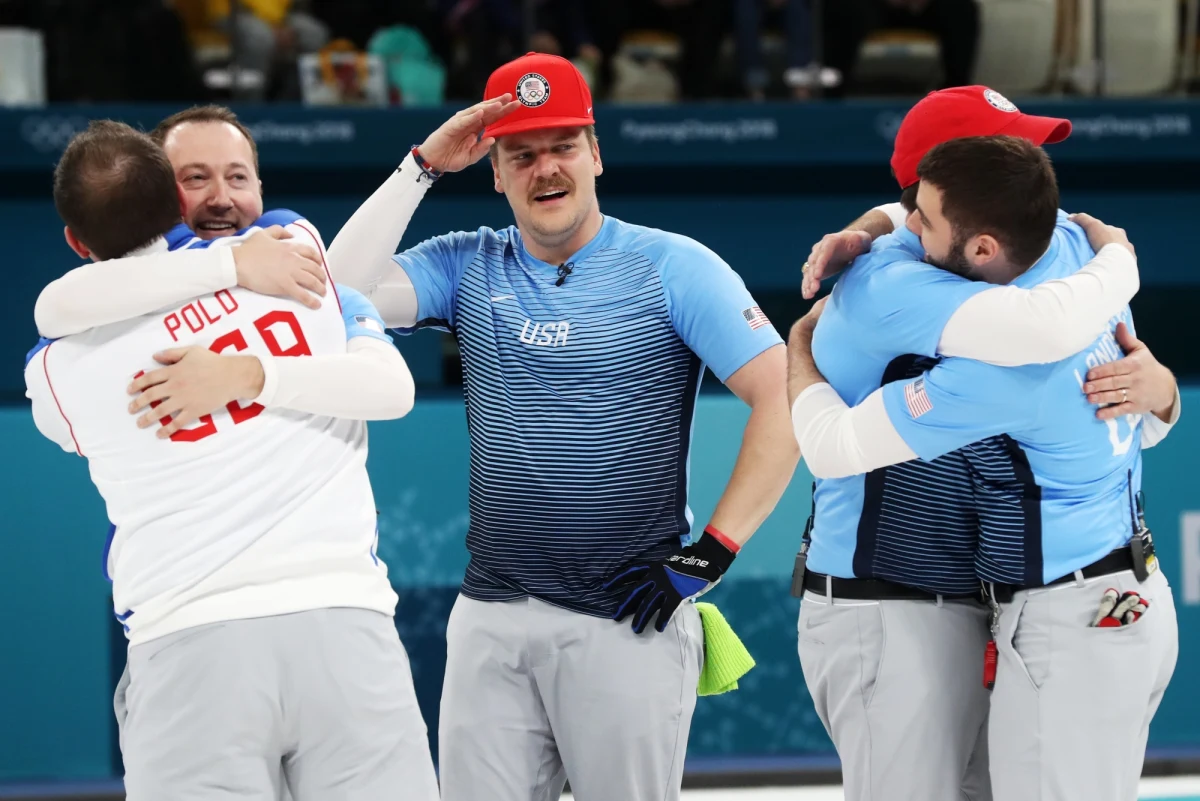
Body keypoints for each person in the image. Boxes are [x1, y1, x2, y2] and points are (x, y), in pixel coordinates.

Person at [322, 51, 797, 800]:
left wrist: (711, 553)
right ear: (496, 171)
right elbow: (329, 299)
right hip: (489, 616)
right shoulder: (464, 264)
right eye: (522, 154)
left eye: (562, 147)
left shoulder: (673, 267)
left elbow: (785, 397)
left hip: (628, 617)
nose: (546, 169)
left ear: (596, 155)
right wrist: (421, 167)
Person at [777, 90, 1180, 801]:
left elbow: (1128, 403)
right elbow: (1048, 335)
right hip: (890, 600)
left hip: (1041, 607)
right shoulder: (1065, 262)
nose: (1032, 165)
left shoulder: (1057, 256)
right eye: (1008, 146)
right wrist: (1123, 255)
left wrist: (1163, 387)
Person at [24, 120, 438, 801]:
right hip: (343, 623)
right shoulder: (292, 257)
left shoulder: (59, 371)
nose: (221, 196)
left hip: (188, 644)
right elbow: (390, 385)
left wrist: (245, 371)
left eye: (237, 176)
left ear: (75, 241)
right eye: (197, 178)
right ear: (171, 198)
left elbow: (55, 307)